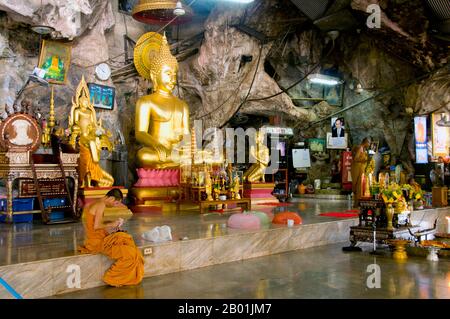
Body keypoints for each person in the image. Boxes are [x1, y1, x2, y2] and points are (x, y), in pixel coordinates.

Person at [78, 189, 144, 287]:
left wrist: (113, 225)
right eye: (116, 203)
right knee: (131, 253)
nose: (115, 205)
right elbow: (96, 226)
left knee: (125, 239)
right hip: (97, 243)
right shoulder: (100, 205)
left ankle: (125, 275)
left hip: (97, 239)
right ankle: (112, 278)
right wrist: (113, 224)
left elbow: (95, 224)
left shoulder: (96, 203)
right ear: (112, 198)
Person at [350, 137, 370, 208]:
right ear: (365, 142)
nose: (369, 144)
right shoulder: (360, 148)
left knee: (360, 186)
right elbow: (356, 158)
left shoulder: (364, 149)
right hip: (356, 169)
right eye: (368, 143)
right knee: (356, 186)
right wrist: (364, 159)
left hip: (360, 169)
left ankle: (357, 203)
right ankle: (356, 203)